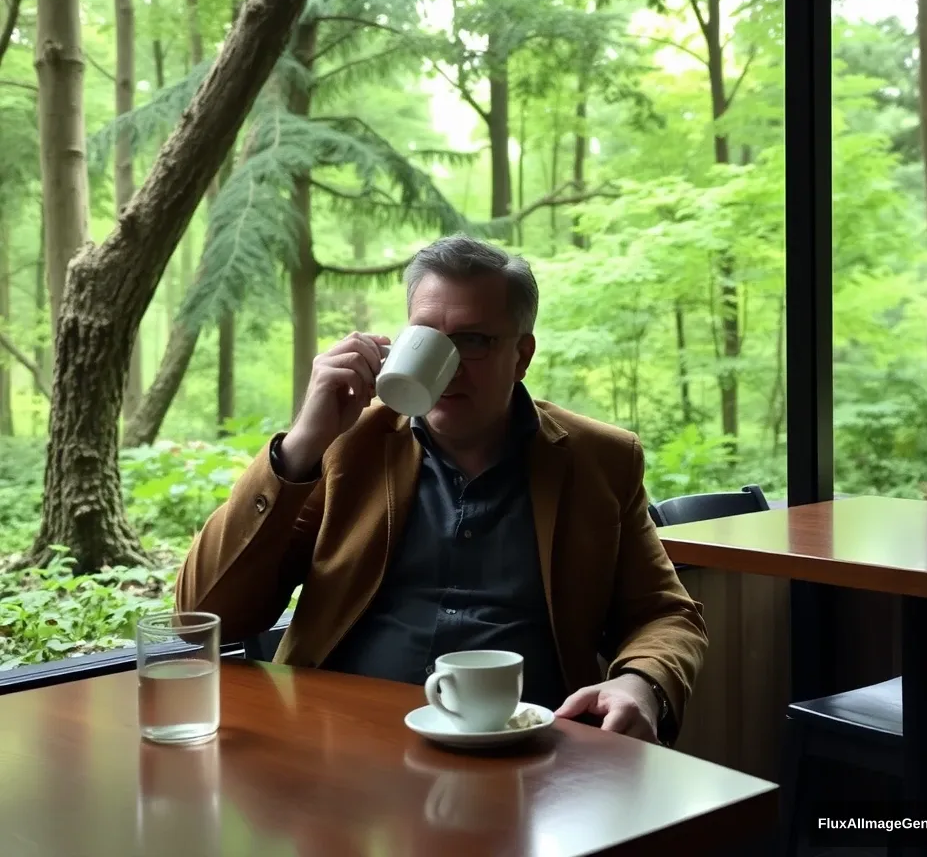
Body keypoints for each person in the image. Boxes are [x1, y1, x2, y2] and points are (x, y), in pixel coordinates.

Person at [176, 235, 708, 745]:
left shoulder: (598, 460)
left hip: (523, 749)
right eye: (426, 337)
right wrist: (299, 446)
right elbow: (200, 613)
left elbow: (663, 612)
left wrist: (642, 683)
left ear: (522, 356)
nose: (445, 364)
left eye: (472, 341)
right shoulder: (346, 446)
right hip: (338, 741)